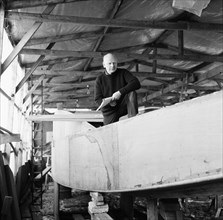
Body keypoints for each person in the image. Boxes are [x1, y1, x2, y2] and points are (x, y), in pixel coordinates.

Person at [94, 53, 141, 125]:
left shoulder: (123, 73)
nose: (112, 66)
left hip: (124, 106)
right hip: (109, 112)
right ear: (104, 65)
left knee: (132, 93)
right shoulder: (99, 79)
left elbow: (136, 83)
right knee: (109, 133)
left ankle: (133, 120)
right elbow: (97, 100)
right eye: (109, 63)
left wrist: (120, 92)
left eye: (114, 63)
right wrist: (110, 102)